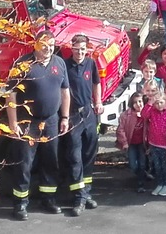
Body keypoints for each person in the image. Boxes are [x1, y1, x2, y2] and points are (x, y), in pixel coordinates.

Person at [7, 30, 71, 221]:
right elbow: (11, 96)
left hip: (51, 121)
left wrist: (65, 117)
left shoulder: (59, 63)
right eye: (44, 45)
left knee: (50, 161)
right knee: (24, 163)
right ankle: (20, 203)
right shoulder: (22, 65)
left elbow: (65, 92)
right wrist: (13, 123)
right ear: (35, 44)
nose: (48, 49)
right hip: (28, 123)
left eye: (51, 45)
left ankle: (48, 199)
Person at [63, 34, 103, 216]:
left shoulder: (91, 63)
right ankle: (78, 197)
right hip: (72, 115)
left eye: (83, 49)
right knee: (75, 156)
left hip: (88, 113)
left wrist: (99, 102)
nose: (80, 52)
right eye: (77, 49)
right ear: (72, 48)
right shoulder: (64, 66)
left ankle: (86, 193)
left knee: (89, 153)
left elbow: (96, 83)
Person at [142, 93, 166, 197]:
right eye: (157, 103)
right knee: (157, 166)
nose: (159, 105)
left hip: (165, 145)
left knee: (165, 166)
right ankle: (160, 183)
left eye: (161, 102)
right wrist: (149, 103)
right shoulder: (152, 111)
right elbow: (144, 115)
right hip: (154, 144)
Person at [116, 92, 147, 193]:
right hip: (131, 143)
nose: (138, 104)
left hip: (142, 143)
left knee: (142, 163)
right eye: (135, 102)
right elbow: (120, 130)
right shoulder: (126, 115)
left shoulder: (146, 114)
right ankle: (141, 174)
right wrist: (124, 142)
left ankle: (141, 184)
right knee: (133, 165)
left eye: (140, 101)